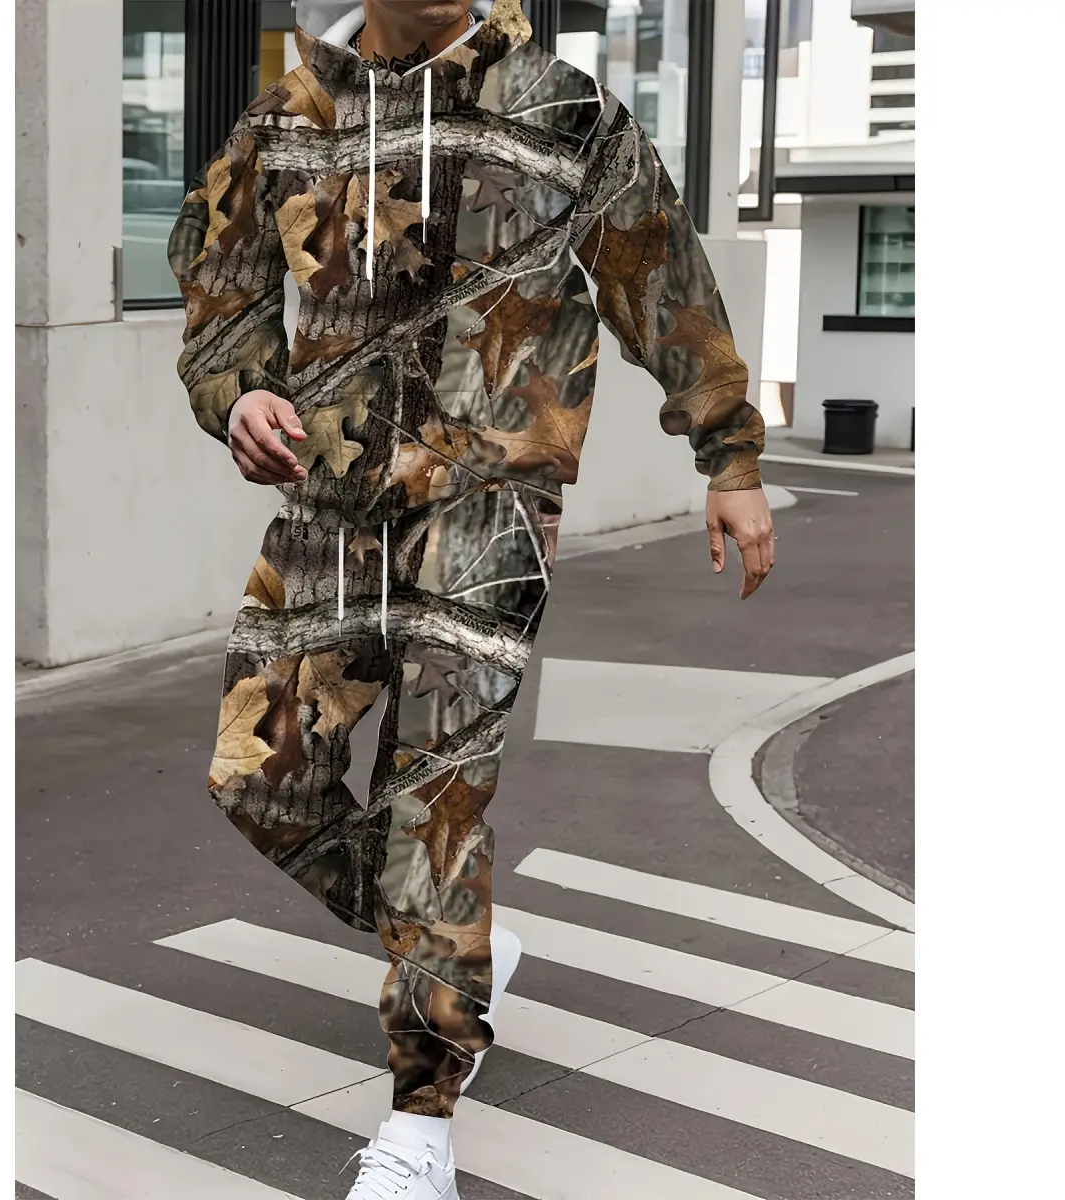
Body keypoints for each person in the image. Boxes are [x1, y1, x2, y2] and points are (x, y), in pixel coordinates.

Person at [167, 2, 774, 1196]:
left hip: (490, 514)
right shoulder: (286, 119)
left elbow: (662, 277)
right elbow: (219, 305)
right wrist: (238, 396)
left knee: (433, 808)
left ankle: (420, 1132)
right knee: (259, 776)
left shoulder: (563, 109)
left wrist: (731, 455)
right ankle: (460, 942)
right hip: (327, 511)